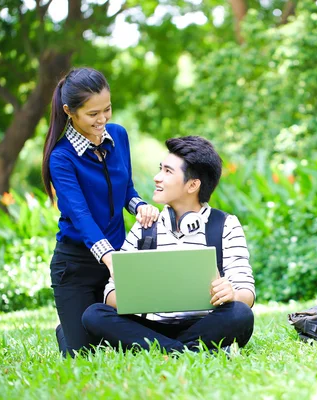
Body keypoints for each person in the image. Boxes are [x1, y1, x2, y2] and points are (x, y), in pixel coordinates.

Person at [81, 136, 255, 355]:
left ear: (193, 184)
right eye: (160, 169)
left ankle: (162, 350)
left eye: (168, 172)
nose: (157, 178)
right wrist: (132, 290)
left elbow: (246, 294)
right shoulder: (145, 226)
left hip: (206, 324)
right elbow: (110, 297)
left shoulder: (225, 225)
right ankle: (188, 351)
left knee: (240, 314)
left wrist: (231, 293)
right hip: (153, 326)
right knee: (94, 315)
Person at [41, 67, 159, 357]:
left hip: (117, 261)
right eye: (93, 114)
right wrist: (111, 259)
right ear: (69, 111)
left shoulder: (118, 135)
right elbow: (80, 217)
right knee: (82, 354)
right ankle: (70, 330)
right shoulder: (62, 157)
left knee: (131, 346)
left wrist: (141, 206)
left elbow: (126, 190)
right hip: (77, 266)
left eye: (107, 109)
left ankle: (80, 326)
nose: (103, 119)